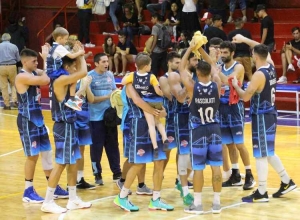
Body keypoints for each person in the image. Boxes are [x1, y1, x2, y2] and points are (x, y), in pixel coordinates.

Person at [231, 34, 297, 202]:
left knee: (260, 154)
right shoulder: (271, 66)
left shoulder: (258, 75)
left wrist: (236, 86)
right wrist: (244, 40)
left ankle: (261, 192)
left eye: (252, 53)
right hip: (271, 114)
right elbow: (261, 47)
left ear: (255, 56)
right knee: (268, 152)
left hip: (261, 116)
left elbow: (245, 97)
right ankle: (286, 181)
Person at [41, 46, 91, 213]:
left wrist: (82, 90)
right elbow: (83, 72)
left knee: (73, 161)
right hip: (63, 126)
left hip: (70, 124)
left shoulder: (65, 81)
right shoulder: (61, 80)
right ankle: (48, 201)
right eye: (74, 66)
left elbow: (72, 105)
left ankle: (73, 199)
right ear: (68, 67)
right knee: (61, 164)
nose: (76, 69)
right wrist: (81, 55)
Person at [15, 47, 68, 203]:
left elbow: (47, 74)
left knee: (46, 152)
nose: (36, 63)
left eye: (37, 60)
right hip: (27, 120)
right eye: (34, 61)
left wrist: (43, 63)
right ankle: (28, 190)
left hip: (38, 119)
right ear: (24, 62)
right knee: (32, 156)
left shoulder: (31, 72)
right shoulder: (21, 77)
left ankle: (53, 186)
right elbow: (46, 80)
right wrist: (46, 59)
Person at [113, 82, 173, 212]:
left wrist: (161, 111)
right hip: (136, 127)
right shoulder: (130, 84)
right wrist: (154, 111)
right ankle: (122, 196)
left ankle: (156, 199)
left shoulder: (151, 84)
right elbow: (138, 101)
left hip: (153, 128)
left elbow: (162, 110)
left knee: (159, 161)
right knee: (137, 162)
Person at [180, 39, 223, 214]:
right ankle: (216, 203)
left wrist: (191, 47)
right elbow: (213, 64)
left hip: (198, 130)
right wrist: (202, 50)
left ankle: (197, 204)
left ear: (197, 72)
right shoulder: (217, 84)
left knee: (198, 168)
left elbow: (182, 67)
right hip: (214, 129)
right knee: (216, 166)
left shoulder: (192, 86)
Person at [218, 41, 256, 190]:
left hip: (235, 107)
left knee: (239, 144)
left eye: (225, 53)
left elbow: (227, 81)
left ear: (232, 53)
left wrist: (216, 70)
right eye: (221, 52)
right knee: (229, 144)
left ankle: (249, 174)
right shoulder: (220, 66)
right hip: (222, 108)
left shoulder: (238, 67)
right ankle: (235, 174)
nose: (223, 55)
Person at [121, 53, 169, 158]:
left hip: (146, 102)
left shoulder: (132, 76)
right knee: (158, 122)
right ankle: (165, 138)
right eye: (150, 65)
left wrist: (127, 76)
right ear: (147, 66)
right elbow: (158, 91)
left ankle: (155, 147)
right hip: (155, 101)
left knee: (151, 125)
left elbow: (123, 81)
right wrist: (163, 94)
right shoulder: (151, 76)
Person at [168, 49, 199, 206]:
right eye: (194, 60)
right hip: (180, 117)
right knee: (184, 152)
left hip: (195, 117)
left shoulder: (197, 74)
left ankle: (182, 181)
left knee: (194, 155)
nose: (196, 63)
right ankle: (185, 191)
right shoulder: (174, 76)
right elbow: (180, 98)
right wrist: (189, 87)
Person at [88, 53, 122, 185]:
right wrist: (107, 96)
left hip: (110, 117)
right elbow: (91, 100)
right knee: (96, 147)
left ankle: (117, 173)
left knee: (113, 145)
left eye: (107, 61)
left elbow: (113, 91)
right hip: (95, 118)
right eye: (103, 62)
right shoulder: (89, 77)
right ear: (96, 63)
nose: (106, 64)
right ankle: (97, 174)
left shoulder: (110, 75)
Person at [46, 27, 85, 111]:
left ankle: (72, 98)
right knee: (74, 78)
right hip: (55, 71)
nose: (66, 41)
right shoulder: (59, 47)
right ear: (59, 38)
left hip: (51, 71)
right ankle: (72, 98)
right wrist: (80, 52)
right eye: (65, 39)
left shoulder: (53, 47)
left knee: (73, 78)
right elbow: (71, 56)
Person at [159, 51, 181, 170]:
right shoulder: (163, 78)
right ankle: (159, 174)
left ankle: (180, 177)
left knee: (182, 149)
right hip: (170, 118)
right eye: (177, 63)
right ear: (169, 63)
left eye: (180, 63)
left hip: (182, 116)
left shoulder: (181, 77)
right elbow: (171, 96)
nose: (179, 65)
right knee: (167, 149)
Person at [75, 76, 96, 189]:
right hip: (73, 118)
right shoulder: (70, 80)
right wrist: (83, 86)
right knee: (74, 150)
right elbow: (72, 101)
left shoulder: (84, 81)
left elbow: (91, 99)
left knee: (81, 150)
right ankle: (72, 181)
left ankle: (80, 178)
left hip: (84, 118)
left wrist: (87, 86)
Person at [0, 33, 20, 110]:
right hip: (12, 66)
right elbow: (18, 59)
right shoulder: (14, 46)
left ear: (2, 38)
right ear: (9, 38)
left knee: (4, 86)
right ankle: (14, 101)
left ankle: (7, 104)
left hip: (1, 66)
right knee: (14, 84)